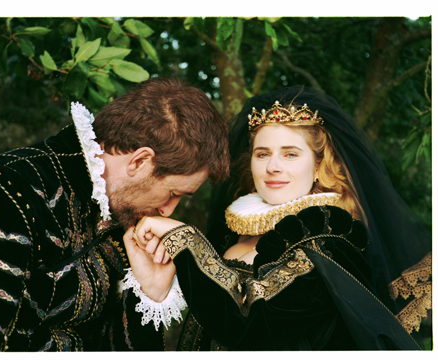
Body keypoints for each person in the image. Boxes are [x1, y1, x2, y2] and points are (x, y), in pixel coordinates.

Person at [126, 86, 432, 350]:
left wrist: (184, 238)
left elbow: (249, 327)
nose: (273, 166)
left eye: (290, 154)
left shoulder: (330, 241)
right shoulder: (235, 229)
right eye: (262, 153)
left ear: (318, 166)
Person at [0, 77, 230, 351]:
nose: (168, 211)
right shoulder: (4, 190)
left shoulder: (121, 220)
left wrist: (149, 292)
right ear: (140, 161)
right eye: (173, 193)